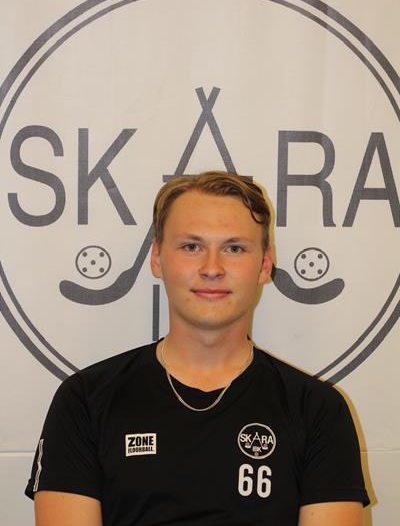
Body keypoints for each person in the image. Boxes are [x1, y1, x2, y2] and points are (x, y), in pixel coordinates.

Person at [26, 171, 370, 525]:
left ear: (264, 265)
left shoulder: (317, 410)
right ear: (156, 258)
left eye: (234, 248)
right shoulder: (85, 401)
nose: (212, 268)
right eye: (192, 247)